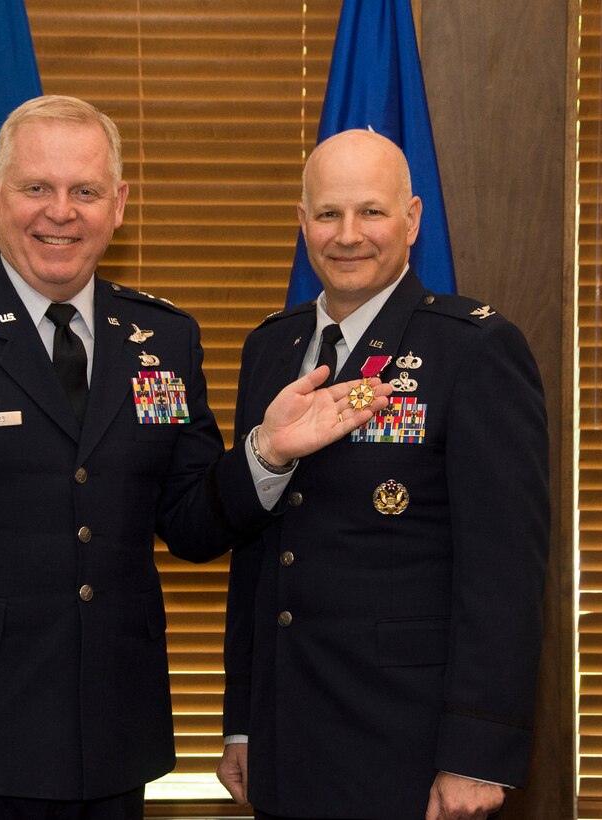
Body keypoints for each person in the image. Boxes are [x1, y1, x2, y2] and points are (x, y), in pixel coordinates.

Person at [0, 97, 389, 820]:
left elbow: (189, 521)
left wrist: (266, 453)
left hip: (111, 740)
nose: (61, 212)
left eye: (83, 191)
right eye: (36, 189)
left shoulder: (163, 339)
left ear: (117, 206)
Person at [216, 129, 550, 820]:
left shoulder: (473, 350)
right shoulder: (270, 348)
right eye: (328, 214)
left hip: (408, 748)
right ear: (302, 222)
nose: (348, 236)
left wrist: (476, 753)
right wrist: (243, 722)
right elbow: (258, 559)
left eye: (370, 212)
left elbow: (503, 574)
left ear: (412, 219)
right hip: (286, 739)